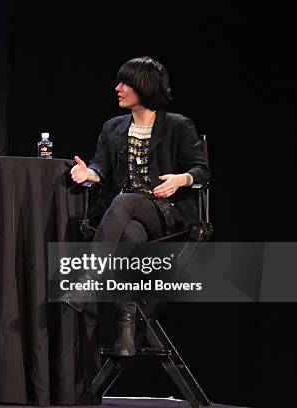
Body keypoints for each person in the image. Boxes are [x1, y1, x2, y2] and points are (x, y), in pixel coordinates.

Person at [67, 56, 209, 356]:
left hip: (163, 212)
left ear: (143, 87)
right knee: (129, 234)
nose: (118, 88)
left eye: (125, 83)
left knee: (127, 199)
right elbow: (100, 168)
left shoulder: (177, 125)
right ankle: (127, 331)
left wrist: (181, 179)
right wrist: (87, 174)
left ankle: (90, 276)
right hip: (125, 220)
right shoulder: (113, 127)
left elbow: (201, 170)